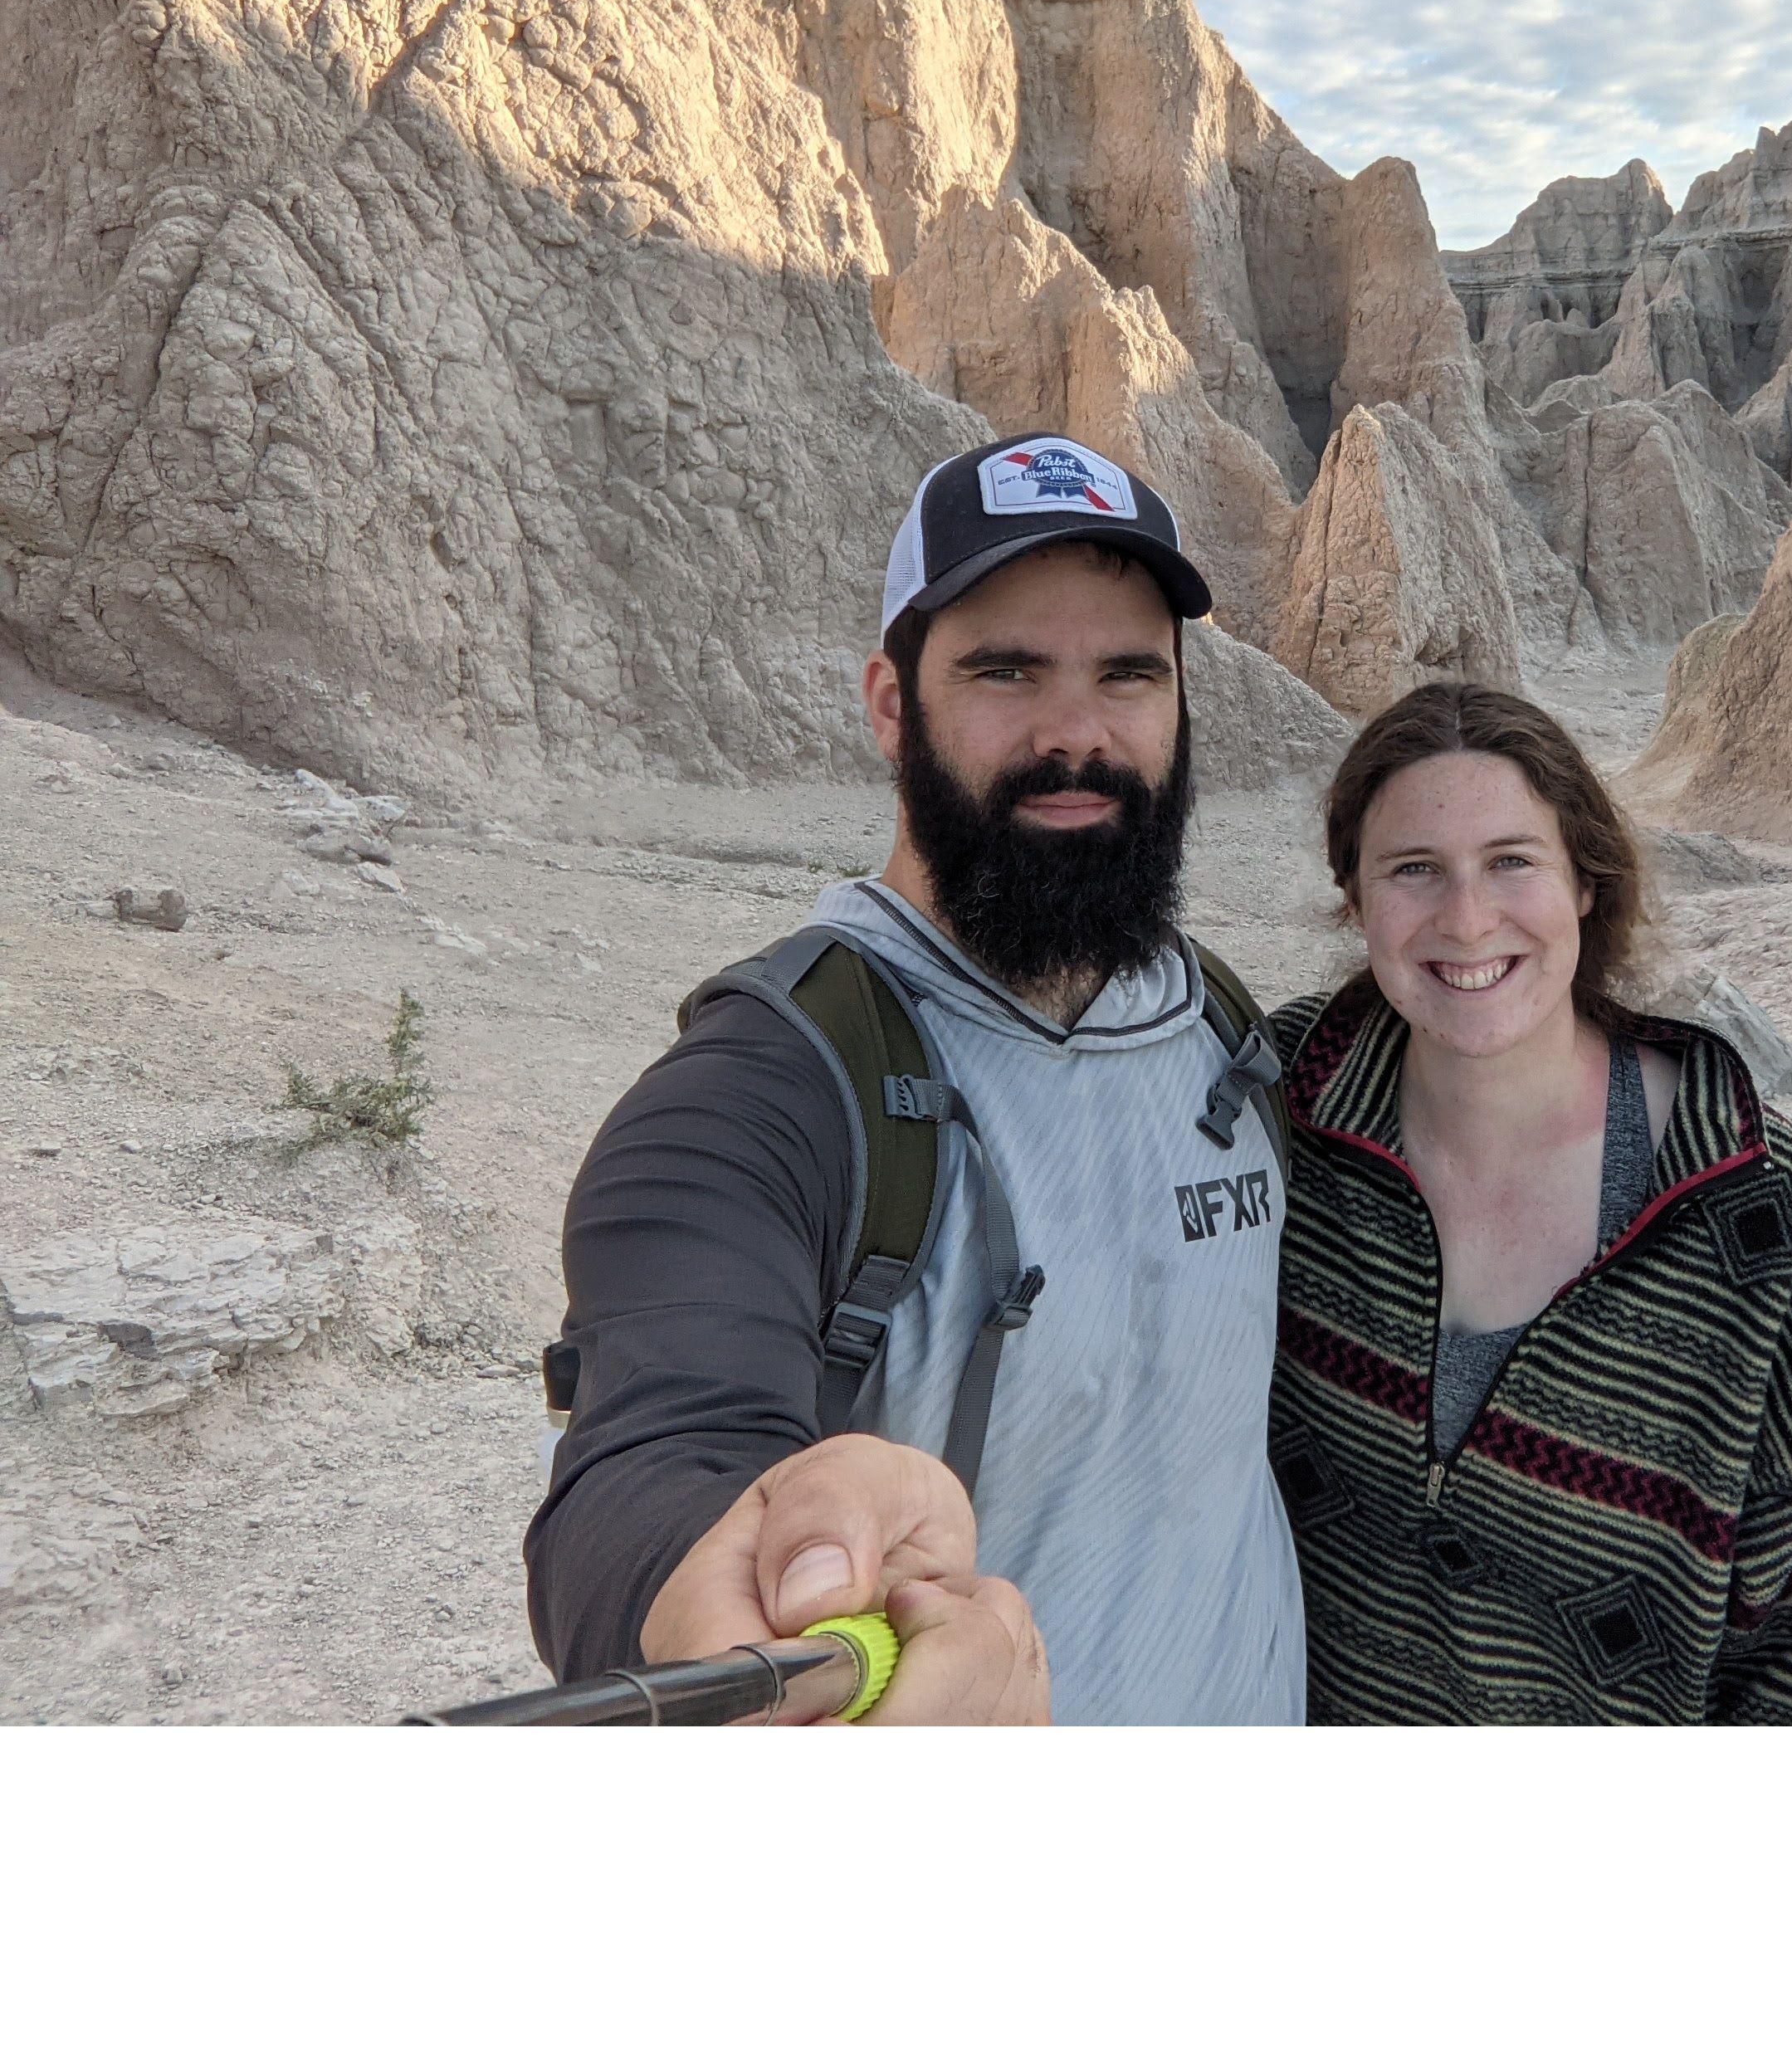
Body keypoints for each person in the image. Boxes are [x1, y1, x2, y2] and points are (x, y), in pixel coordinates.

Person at [525, 432, 1305, 1725]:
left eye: (1129, 675)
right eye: (1006, 671)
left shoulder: (1224, 1031)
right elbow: (654, 1452)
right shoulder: (768, 1084)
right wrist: (720, 1599)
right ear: (892, 703)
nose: (1077, 734)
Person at [1264, 680, 1792, 1723]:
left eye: (1512, 862)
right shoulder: (1283, 1110)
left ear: (1582, 884)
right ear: (1356, 899)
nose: (1467, 919)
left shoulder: (1749, 1207)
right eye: (1414, 869)